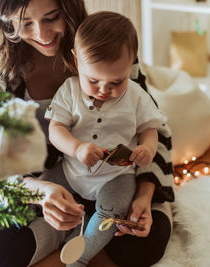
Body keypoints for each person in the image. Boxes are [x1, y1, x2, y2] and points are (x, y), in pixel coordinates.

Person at [0, 0, 174, 267]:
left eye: (52, 18)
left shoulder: (107, 47)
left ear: (69, 10)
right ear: (5, 21)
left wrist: (144, 195)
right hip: (49, 185)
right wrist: (39, 192)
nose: (42, 34)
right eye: (25, 23)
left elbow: (155, 129)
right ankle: (76, 240)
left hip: (116, 183)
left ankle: (78, 249)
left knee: (146, 243)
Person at [46, 11, 167, 266]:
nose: (104, 90)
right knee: (41, 193)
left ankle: (80, 257)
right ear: (76, 61)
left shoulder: (136, 95)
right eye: (93, 80)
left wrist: (147, 147)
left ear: (131, 64)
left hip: (115, 178)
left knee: (112, 214)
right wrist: (76, 148)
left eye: (116, 81)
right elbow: (56, 128)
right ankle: (55, 234)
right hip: (71, 171)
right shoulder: (69, 90)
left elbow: (150, 129)